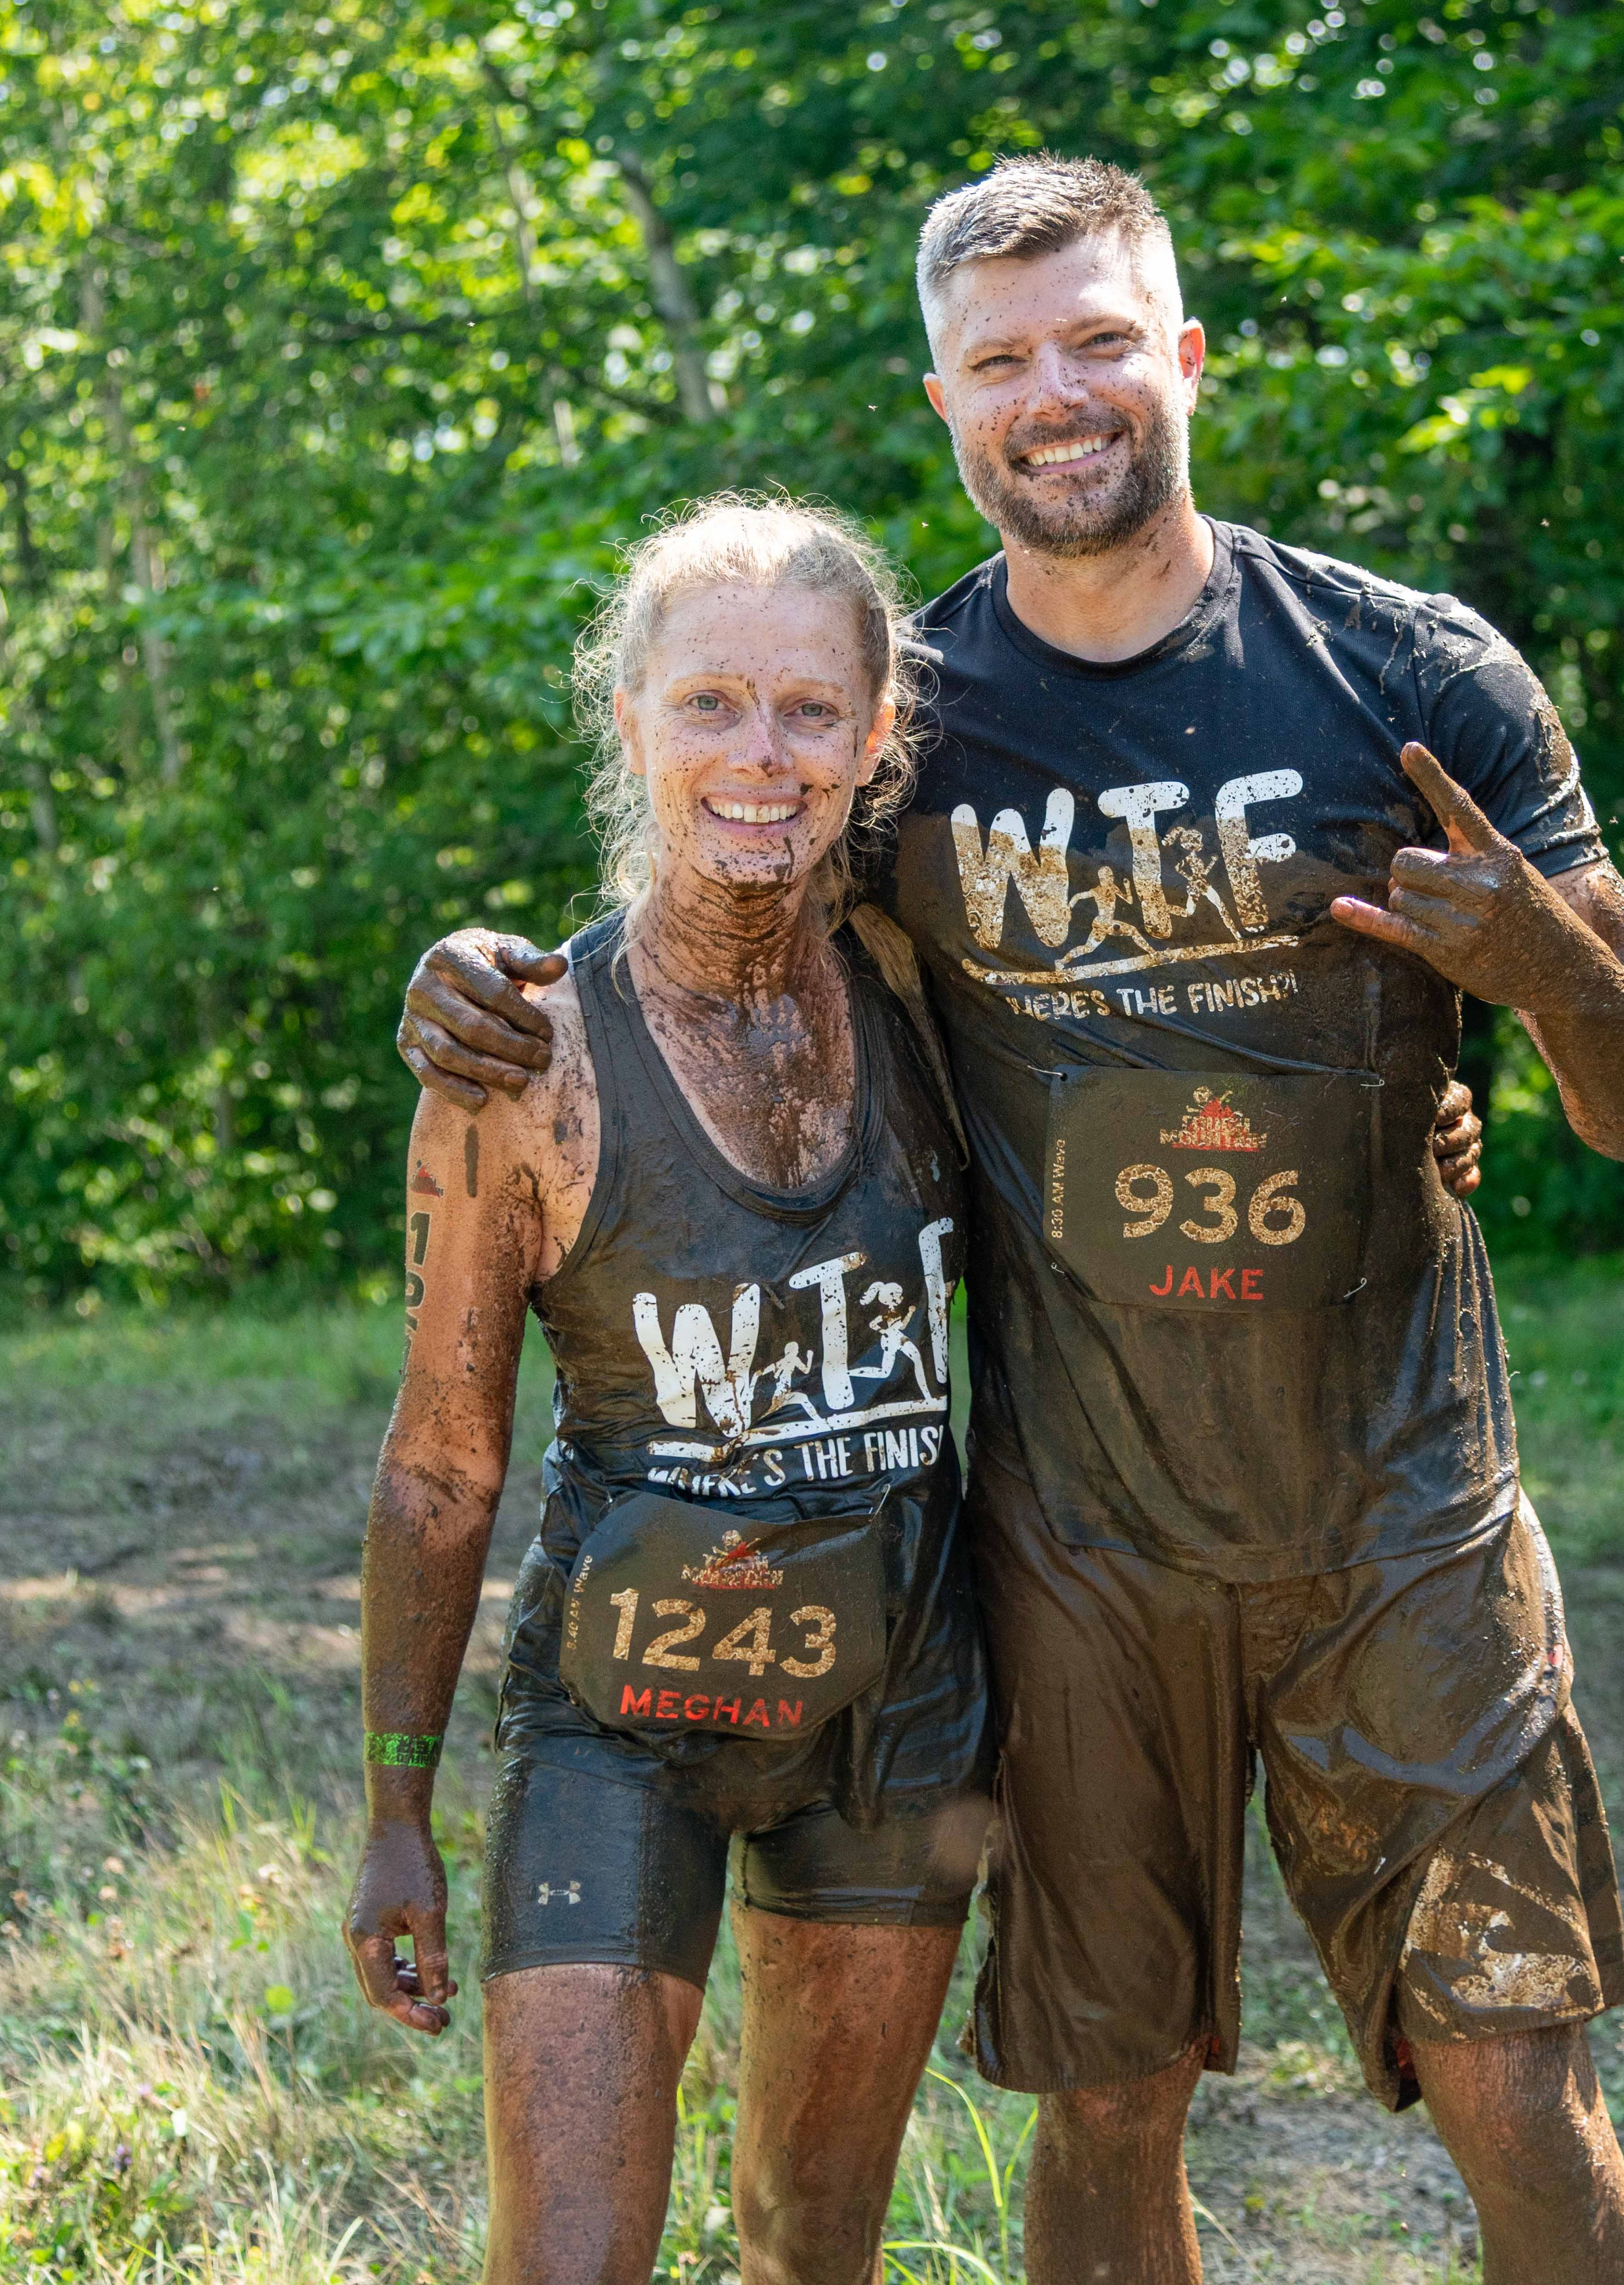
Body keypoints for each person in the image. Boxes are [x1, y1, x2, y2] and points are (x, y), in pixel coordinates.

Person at [400, 158, 1624, 2285]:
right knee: (1109, 2108)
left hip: (1402, 1528)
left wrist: (1544, 979)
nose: (1060, 392)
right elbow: (710, 953)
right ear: (944, 403)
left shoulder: (1406, 674)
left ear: (1181, 355)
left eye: (1101, 338)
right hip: (1078, 1555)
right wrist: (473, 974)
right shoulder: (904, 723)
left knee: (1517, 2093)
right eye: (1003, 359)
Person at [351, 497, 994, 2285]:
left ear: (878, 740)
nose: (760, 757)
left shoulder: (942, 987)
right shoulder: (525, 1054)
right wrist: (398, 1804)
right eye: (710, 703)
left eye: (809, 712)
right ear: (626, 718)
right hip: (619, 1718)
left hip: (900, 1717)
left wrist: (1420, 1128)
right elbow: (438, 1467)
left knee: (815, 2254)